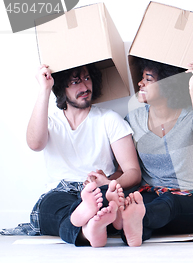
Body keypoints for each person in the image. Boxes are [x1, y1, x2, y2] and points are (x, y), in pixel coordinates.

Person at [23, 63, 141, 247]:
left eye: (87, 79)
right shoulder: (51, 123)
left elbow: (133, 171)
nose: (85, 87)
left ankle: (90, 226)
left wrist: (110, 183)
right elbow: (35, 144)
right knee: (49, 207)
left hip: (99, 190)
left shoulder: (109, 119)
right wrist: (45, 89)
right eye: (76, 82)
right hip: (61, 192)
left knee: (105, 201)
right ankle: (92, 227)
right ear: (62, 88)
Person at [120, 58, 193, 246]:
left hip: (187, 199)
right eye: (142, 78)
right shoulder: (133, 120)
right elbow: (125, 167)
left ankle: (136, 221)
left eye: (148, 79)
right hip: (149, 196)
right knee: (143, 204)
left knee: (168, 203)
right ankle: (136, 226)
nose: (140, 83)